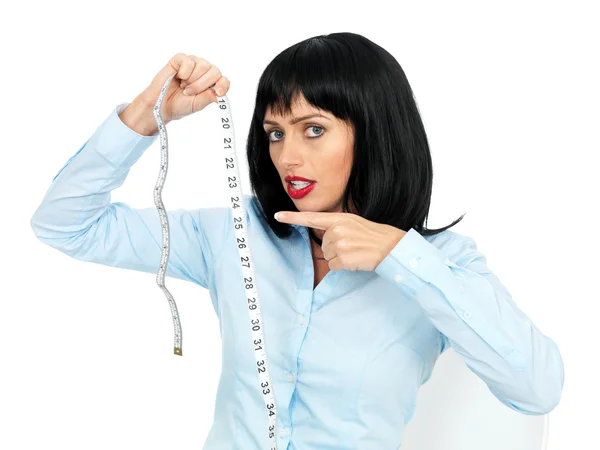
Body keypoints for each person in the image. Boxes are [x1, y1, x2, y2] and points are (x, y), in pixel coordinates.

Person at [30, 32, 564, 450]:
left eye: (314, 130)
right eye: (275, 132)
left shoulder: (442, 264)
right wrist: (150, 112)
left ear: (373, 131)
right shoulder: (233, 236)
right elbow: (64, 224)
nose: (286, 157)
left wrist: (399, 256)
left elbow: (538, 388)